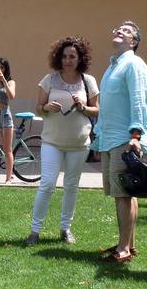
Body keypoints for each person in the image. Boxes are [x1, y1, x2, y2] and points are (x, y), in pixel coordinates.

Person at [26, 37, 100, 246]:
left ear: (80, 58)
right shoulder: (49, 80)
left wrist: (83, 107)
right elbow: (38, 108)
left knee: (71, 186)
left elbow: (97, 110)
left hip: (79, 144)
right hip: (52, 141)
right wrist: (46, 108)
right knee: (47, 184)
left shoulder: (89, 81)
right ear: (59, 57)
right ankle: (34, 230)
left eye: (72, 56)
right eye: (65, 56)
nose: (68, 60)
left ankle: (65, 228)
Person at [93, 21, 147, 263]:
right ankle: (129, 244)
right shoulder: (113, 67)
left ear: (134, 41)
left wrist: (135, 135)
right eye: (117, 28)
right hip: (110, 138)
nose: (119, 30)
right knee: (128, 192)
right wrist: (98, 135)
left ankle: (123, 249)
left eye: (126, 31)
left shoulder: (133, 64)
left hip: (125, 139)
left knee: (123, 195)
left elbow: (139, 100)